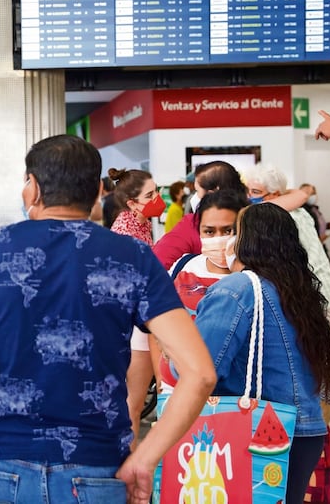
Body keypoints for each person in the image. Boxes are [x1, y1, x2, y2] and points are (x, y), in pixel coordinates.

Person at [0, 135, 216, 504]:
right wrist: (146, 458)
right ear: (97, 192)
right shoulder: (133, 257)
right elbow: (200, 374)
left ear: (35, 189)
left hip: (3, 465)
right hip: (101, 468)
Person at [193, 202, 330, 504]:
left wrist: (173, 353)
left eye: (234, 231)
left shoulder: (237, 289)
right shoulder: (300, 292)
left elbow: (202, 369)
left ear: (249, 240)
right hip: (306, 432)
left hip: (249, 431)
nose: (226, 241)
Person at [158, 190, 249, 392]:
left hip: (228, 399)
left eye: (228, 231)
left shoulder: (253, 278)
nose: (218, 239)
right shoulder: (184, 265)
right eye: (209, 231)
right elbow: (158, 319)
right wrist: (160, 381)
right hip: (174, 388)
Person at [152, 160, 306, 270]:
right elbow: (300, 195)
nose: (195, 197)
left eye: (197, 191)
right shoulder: (256, 215)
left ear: (213, 192)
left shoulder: (194, 223)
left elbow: (157, 263)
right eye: (210, 231)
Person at [108, 167, 165, 442]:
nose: (158, 199)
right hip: (132, 326)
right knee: (132, 404)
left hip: (140, 321)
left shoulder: (141, 223)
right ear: (132, 203)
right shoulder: (125, 230)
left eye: (158, 191)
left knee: (134, 403)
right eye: (150, 195)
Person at [242, 163, 330, 312]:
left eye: (256, 192)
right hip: (322, 288)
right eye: (248, 191)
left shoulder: (281, 218)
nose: (249, 196)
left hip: (316, 294)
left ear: (275, 195)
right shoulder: (300, 211)